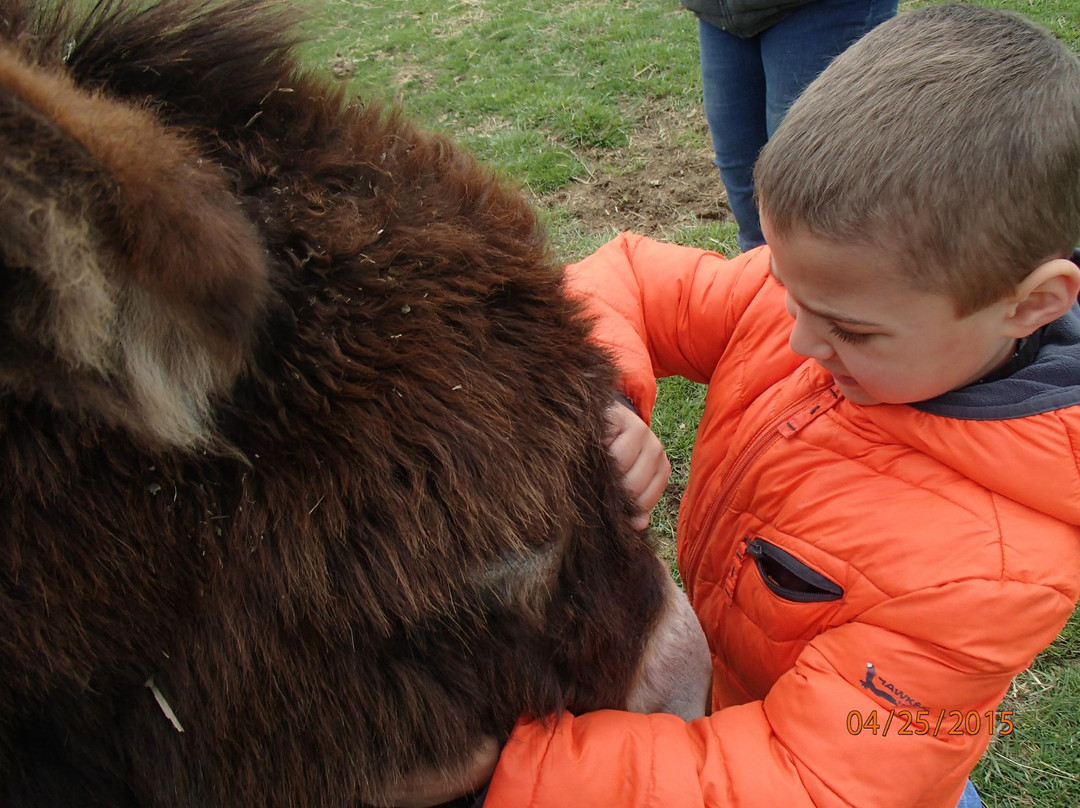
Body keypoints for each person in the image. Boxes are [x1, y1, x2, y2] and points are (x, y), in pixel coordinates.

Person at [389, 5, 1080, 807]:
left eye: (850, 331)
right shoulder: (845, 305)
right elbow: (629, 280)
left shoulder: (985, 571)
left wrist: (507, 772)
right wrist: (602, 399)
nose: (800, 340)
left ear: (1032, 304)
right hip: (734, 698)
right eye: (786, 288)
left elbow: (811, 783)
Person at [683, 0, 896, 251]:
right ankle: (764, 272)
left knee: (810, 190)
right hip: (720, 12)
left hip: (821, 9)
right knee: (744, 181)